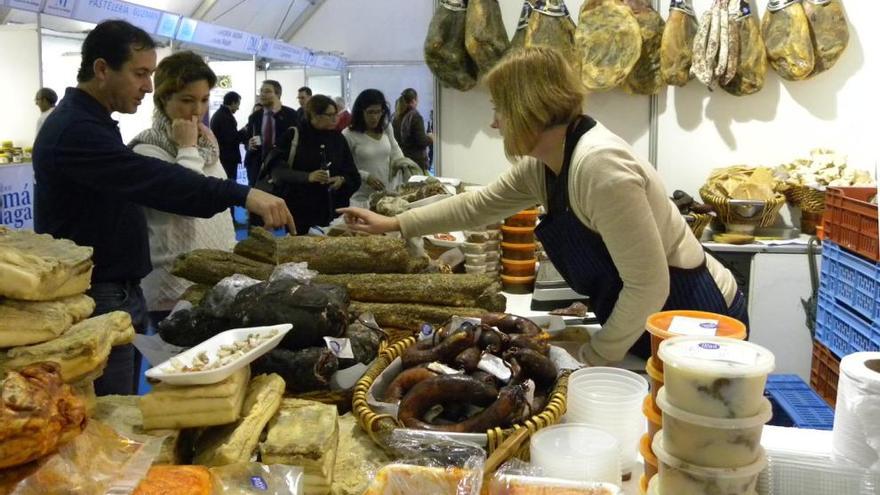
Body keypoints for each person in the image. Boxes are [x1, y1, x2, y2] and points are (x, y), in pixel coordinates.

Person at [339, 47, 745, 365]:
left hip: (692, 320)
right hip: (645, 322)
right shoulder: (547, 163)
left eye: (499, 109)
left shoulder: (599, 168)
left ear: (527, 108)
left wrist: (595, 354)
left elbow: (649, 285)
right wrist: (393, 225)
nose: (495, 123)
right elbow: (477, 205)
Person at [33, 20, 294, 396]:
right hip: (101, 293)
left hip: (119, 290)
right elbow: (158, 181)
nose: (147, 85)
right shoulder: (75, 130)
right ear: (102, 69)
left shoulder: (94, 123)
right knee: (112, 413)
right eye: (140, 74)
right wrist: (244, 195)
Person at [129, 51, 237, 329]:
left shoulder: (207, 141)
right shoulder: (147, 149)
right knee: (182, 367)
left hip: (216, 274)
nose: (197, 110)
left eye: (203, 100)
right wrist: (186, 148)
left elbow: (218, 205)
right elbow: (192, 200)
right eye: (187, 100)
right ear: (164, 99)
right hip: (174, 284)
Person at [261, 95, 360, 235]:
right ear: (314, 115)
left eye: (336, 114)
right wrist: (308, 177)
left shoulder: (338, 138)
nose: (335, 119)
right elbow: (277, 171)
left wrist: (342, 179)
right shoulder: (294, 135)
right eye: (329, 115)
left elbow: (352, 172)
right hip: (299, 211)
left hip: (332, 212)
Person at [343, 89, 414, 208]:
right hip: (361, 199)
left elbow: (395, 150)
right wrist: (366, 176)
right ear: (361, 112)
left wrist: (404, 164)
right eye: (370, 112)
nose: (375, 117)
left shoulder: (386, 128)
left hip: (387, 196)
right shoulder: (349, 134)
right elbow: (344, 166)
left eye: (378, 112)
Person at [241, 80, 298, 186]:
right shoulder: (254, 117)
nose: (262, 94)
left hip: (282, 168)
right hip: (256, 169)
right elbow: (247, 139)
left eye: (267, 91)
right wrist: (248, 145)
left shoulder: (291, 115)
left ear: (278, 94)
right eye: (261, 91)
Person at [392, 88, 432, 174]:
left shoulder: (395, 116)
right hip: (416, 162)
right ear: (414, 100)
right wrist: (430, 138)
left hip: (401, 159)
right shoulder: (415, 117)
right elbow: (421, 141)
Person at [210, 90, 242, 181]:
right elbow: (230, 139)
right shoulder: (225, 117)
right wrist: (244, 132)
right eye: (238, 104)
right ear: (233, 103)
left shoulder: (220, 114)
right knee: (229, 183)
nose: (238, 108)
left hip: (223, 157)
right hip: (227, 159)